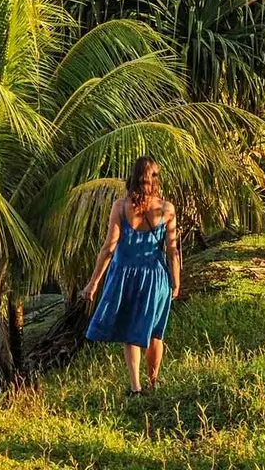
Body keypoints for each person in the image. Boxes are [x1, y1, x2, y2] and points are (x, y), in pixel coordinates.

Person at [81, 156, 181, 395]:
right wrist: (176, 282)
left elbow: (109, 247)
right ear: (156, 178)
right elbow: (172, 249)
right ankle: (154, 382)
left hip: (125, 275)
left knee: (131, 331)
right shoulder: (167, 209)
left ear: (133, 177)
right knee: (155, 331)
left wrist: (93, 283)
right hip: (156, 277)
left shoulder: (120, 206)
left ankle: (136, 387)